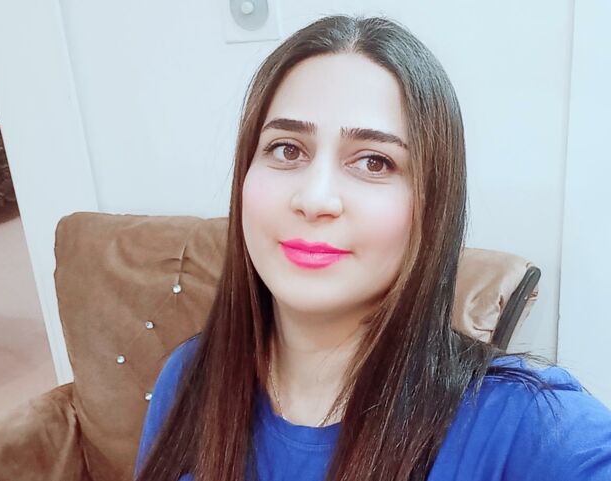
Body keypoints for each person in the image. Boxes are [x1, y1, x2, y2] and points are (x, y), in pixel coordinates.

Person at [134, 14, 611, 481]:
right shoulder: (190, 375)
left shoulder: (526, 422)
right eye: (287, 149)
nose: (314, 199)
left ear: (432, 205)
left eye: (374, 162)